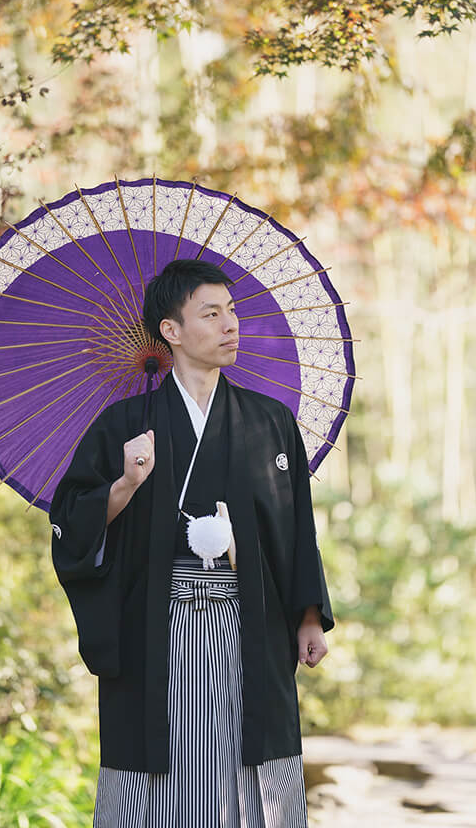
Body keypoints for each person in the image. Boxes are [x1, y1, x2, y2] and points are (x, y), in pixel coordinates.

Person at [49, 258, 334, 828]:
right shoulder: (123, 425)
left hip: (249, 617)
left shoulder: (271, 421)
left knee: (250, 760)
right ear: (170, 332)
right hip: (157, 623)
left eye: (232, 311)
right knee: (161, 766)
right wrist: (125, 484)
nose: (231, 325)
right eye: (211, 313)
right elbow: (72, 527)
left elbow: (297, 525)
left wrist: (307, 614)